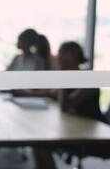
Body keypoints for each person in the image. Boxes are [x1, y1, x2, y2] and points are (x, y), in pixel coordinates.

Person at [33, 41, 105, 169]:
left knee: (40, 143)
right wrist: (21, 93)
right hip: (77, 128)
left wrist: (62, 75)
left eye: (60, 53)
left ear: (71, 55)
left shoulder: (89, 80)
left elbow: (65, 106)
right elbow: (52, 94)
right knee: (38, 142)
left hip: (92, 136)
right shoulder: (72, 77)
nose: (56, 57)